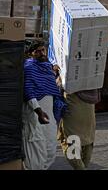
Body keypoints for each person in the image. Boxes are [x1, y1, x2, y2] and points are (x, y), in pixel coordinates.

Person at [22, 41, 66, 170]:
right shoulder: (29, 67)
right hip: (35, 113)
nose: (42, 53)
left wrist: (56, 73)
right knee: (35, 149)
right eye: (38, 51)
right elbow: (28, 90)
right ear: (31, 54)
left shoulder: (47, 67)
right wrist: (39, 112)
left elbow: (52, 85)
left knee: (50, 148)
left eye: (43, 50)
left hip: (49, 114)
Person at [57, 88, 100, 170]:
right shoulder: (92, 78)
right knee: (88, 141)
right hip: (89, 111)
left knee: (71, 143)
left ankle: (81, 168)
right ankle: (83, 167)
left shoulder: (66, 76)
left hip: (72, 110)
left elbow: (58, 90)